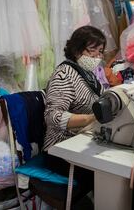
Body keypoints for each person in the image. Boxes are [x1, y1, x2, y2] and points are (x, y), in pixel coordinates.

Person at [42, 25, 106, 196]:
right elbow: (52, 116)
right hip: (60, 150)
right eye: (93, 50)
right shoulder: (64, 74)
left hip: (81, 143)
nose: (97, 57)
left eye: (100, 52)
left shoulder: (88, 75)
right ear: (77, 49)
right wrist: (89, 119)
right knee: (108, 172)